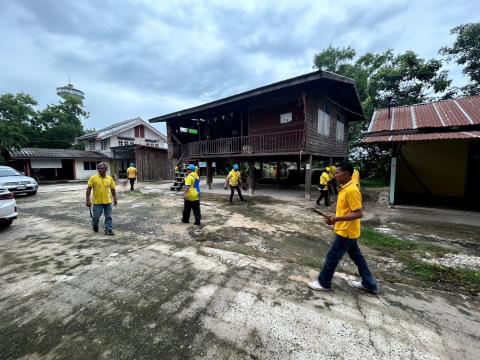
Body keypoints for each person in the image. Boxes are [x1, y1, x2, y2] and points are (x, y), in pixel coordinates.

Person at [308, 161, 378, 294]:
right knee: (358, 258)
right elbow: (346, 211)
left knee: (332, 256)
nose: (335, 176)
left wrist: (338, 219)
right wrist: (334, 219)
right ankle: (370, 284)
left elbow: (358, 213)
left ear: (346, 174)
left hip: (346, 232)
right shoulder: (345, 187)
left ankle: (324, 282)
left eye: (337, 173)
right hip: (347, 230)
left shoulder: (352, 190)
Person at [86, 162, 117, 236]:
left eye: (102, 168)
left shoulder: (109, 178)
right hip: (97, 202)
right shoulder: (93, 178)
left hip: (108, 201)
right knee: (96, 216)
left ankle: (108, 229)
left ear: (106, 169)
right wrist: (87, 200)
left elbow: (112, 189)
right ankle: (95, 224)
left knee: (108, 216)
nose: (100, 170)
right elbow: (89, 189)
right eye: (99, 168)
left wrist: (115, 198)